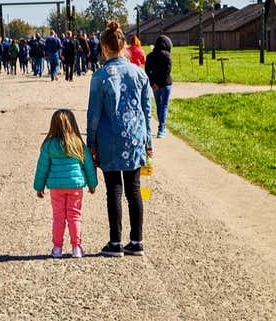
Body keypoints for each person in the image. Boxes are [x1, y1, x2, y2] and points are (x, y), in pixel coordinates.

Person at [86, 21, 152, 257]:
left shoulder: (100, 76)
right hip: (135, 136)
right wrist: (148, 140)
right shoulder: (138, 73)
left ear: (104, 47)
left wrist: (90, 144)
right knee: (134, 190)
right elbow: (147, 109)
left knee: (113, 189)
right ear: (123, 45)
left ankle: (115, 242)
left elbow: (93, 113)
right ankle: (137, 240)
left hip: (109, 138)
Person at [33, 109, 98, 258]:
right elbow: (88, 165)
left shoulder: (49, 146)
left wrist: (39, 186)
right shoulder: (78, 144)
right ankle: (76, 247)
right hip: (75, 187)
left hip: (56, 188)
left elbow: (42, 167)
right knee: (74, 216)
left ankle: (57, 248)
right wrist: (92, 184)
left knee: (58, 217)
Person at [145, 35, 173, 139]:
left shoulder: (150, 56)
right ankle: (161, 129)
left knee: (159, 105)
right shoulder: (167, 56)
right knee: (164, 106)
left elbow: (147, 71)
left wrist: (153, 83)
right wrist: (160, 83)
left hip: (155, 85)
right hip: (166, 84)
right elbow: (167, 72)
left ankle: (161, 127)